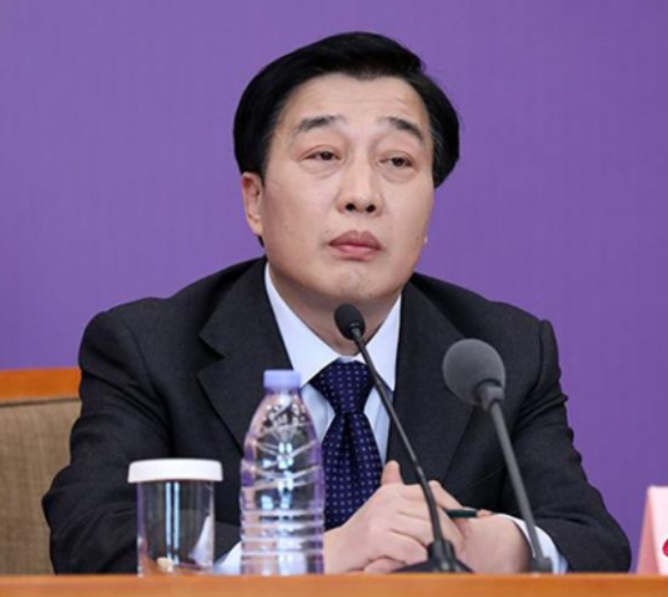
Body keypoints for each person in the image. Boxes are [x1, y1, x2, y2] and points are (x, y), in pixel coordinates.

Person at [43, 31, 630, 574]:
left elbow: (593, 542)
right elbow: (92, 534)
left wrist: (495, 546)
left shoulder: (498, 353)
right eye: (324, 155)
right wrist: (316, 555)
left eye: (397, 161)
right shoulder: (150, 347)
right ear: (254, 200)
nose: (362, 195)